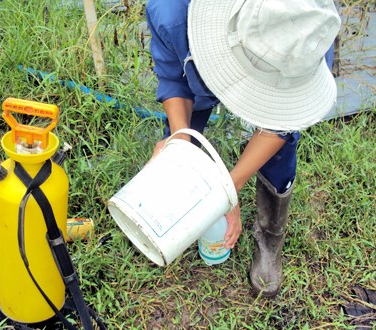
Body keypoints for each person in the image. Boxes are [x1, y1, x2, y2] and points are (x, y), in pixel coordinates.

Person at [146, 0, 340, 297]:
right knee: (181, 137)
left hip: (284, 70)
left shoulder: (311, 26)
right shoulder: (173, 12)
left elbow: (281, 125)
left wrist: (228, 189)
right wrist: (180, 140)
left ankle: (269, 239)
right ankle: (180, 209)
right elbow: (174, 78)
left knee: (279, 149)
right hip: (196, 53)